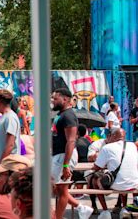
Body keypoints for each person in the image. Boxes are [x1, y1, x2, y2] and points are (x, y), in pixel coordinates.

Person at [51, 88, 92, 219]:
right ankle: (82, 208)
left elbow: (71, 140)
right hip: (59, 155)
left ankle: (58, 217)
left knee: (61, 190)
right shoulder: (61, 114)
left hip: (64, 156)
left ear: (65, 99)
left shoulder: (68, 115)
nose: (53, 101)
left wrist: (65, 165)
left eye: (56, 98)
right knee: (56, 189)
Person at [91, 128, 138, 218]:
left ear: (113, 136)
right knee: (121, 177)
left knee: (95, 179)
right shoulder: (132, 146)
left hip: (117, 184)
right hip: (133, 183)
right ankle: (124, 208)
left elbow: (96, 167)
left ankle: (105, 212)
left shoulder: (107, 147)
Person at [0, 89, 21, 166]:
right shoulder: (4, 117)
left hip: (7, 165)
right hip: (3, 164)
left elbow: (10, 145)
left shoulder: (10, 117)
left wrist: (1, 165)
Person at [72, 124, 91, 199]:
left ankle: (78, 192)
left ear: (78, 132)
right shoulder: (88, 142)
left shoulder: (76, 143)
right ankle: (79, 191)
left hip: (79, 168)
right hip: (88, 168)